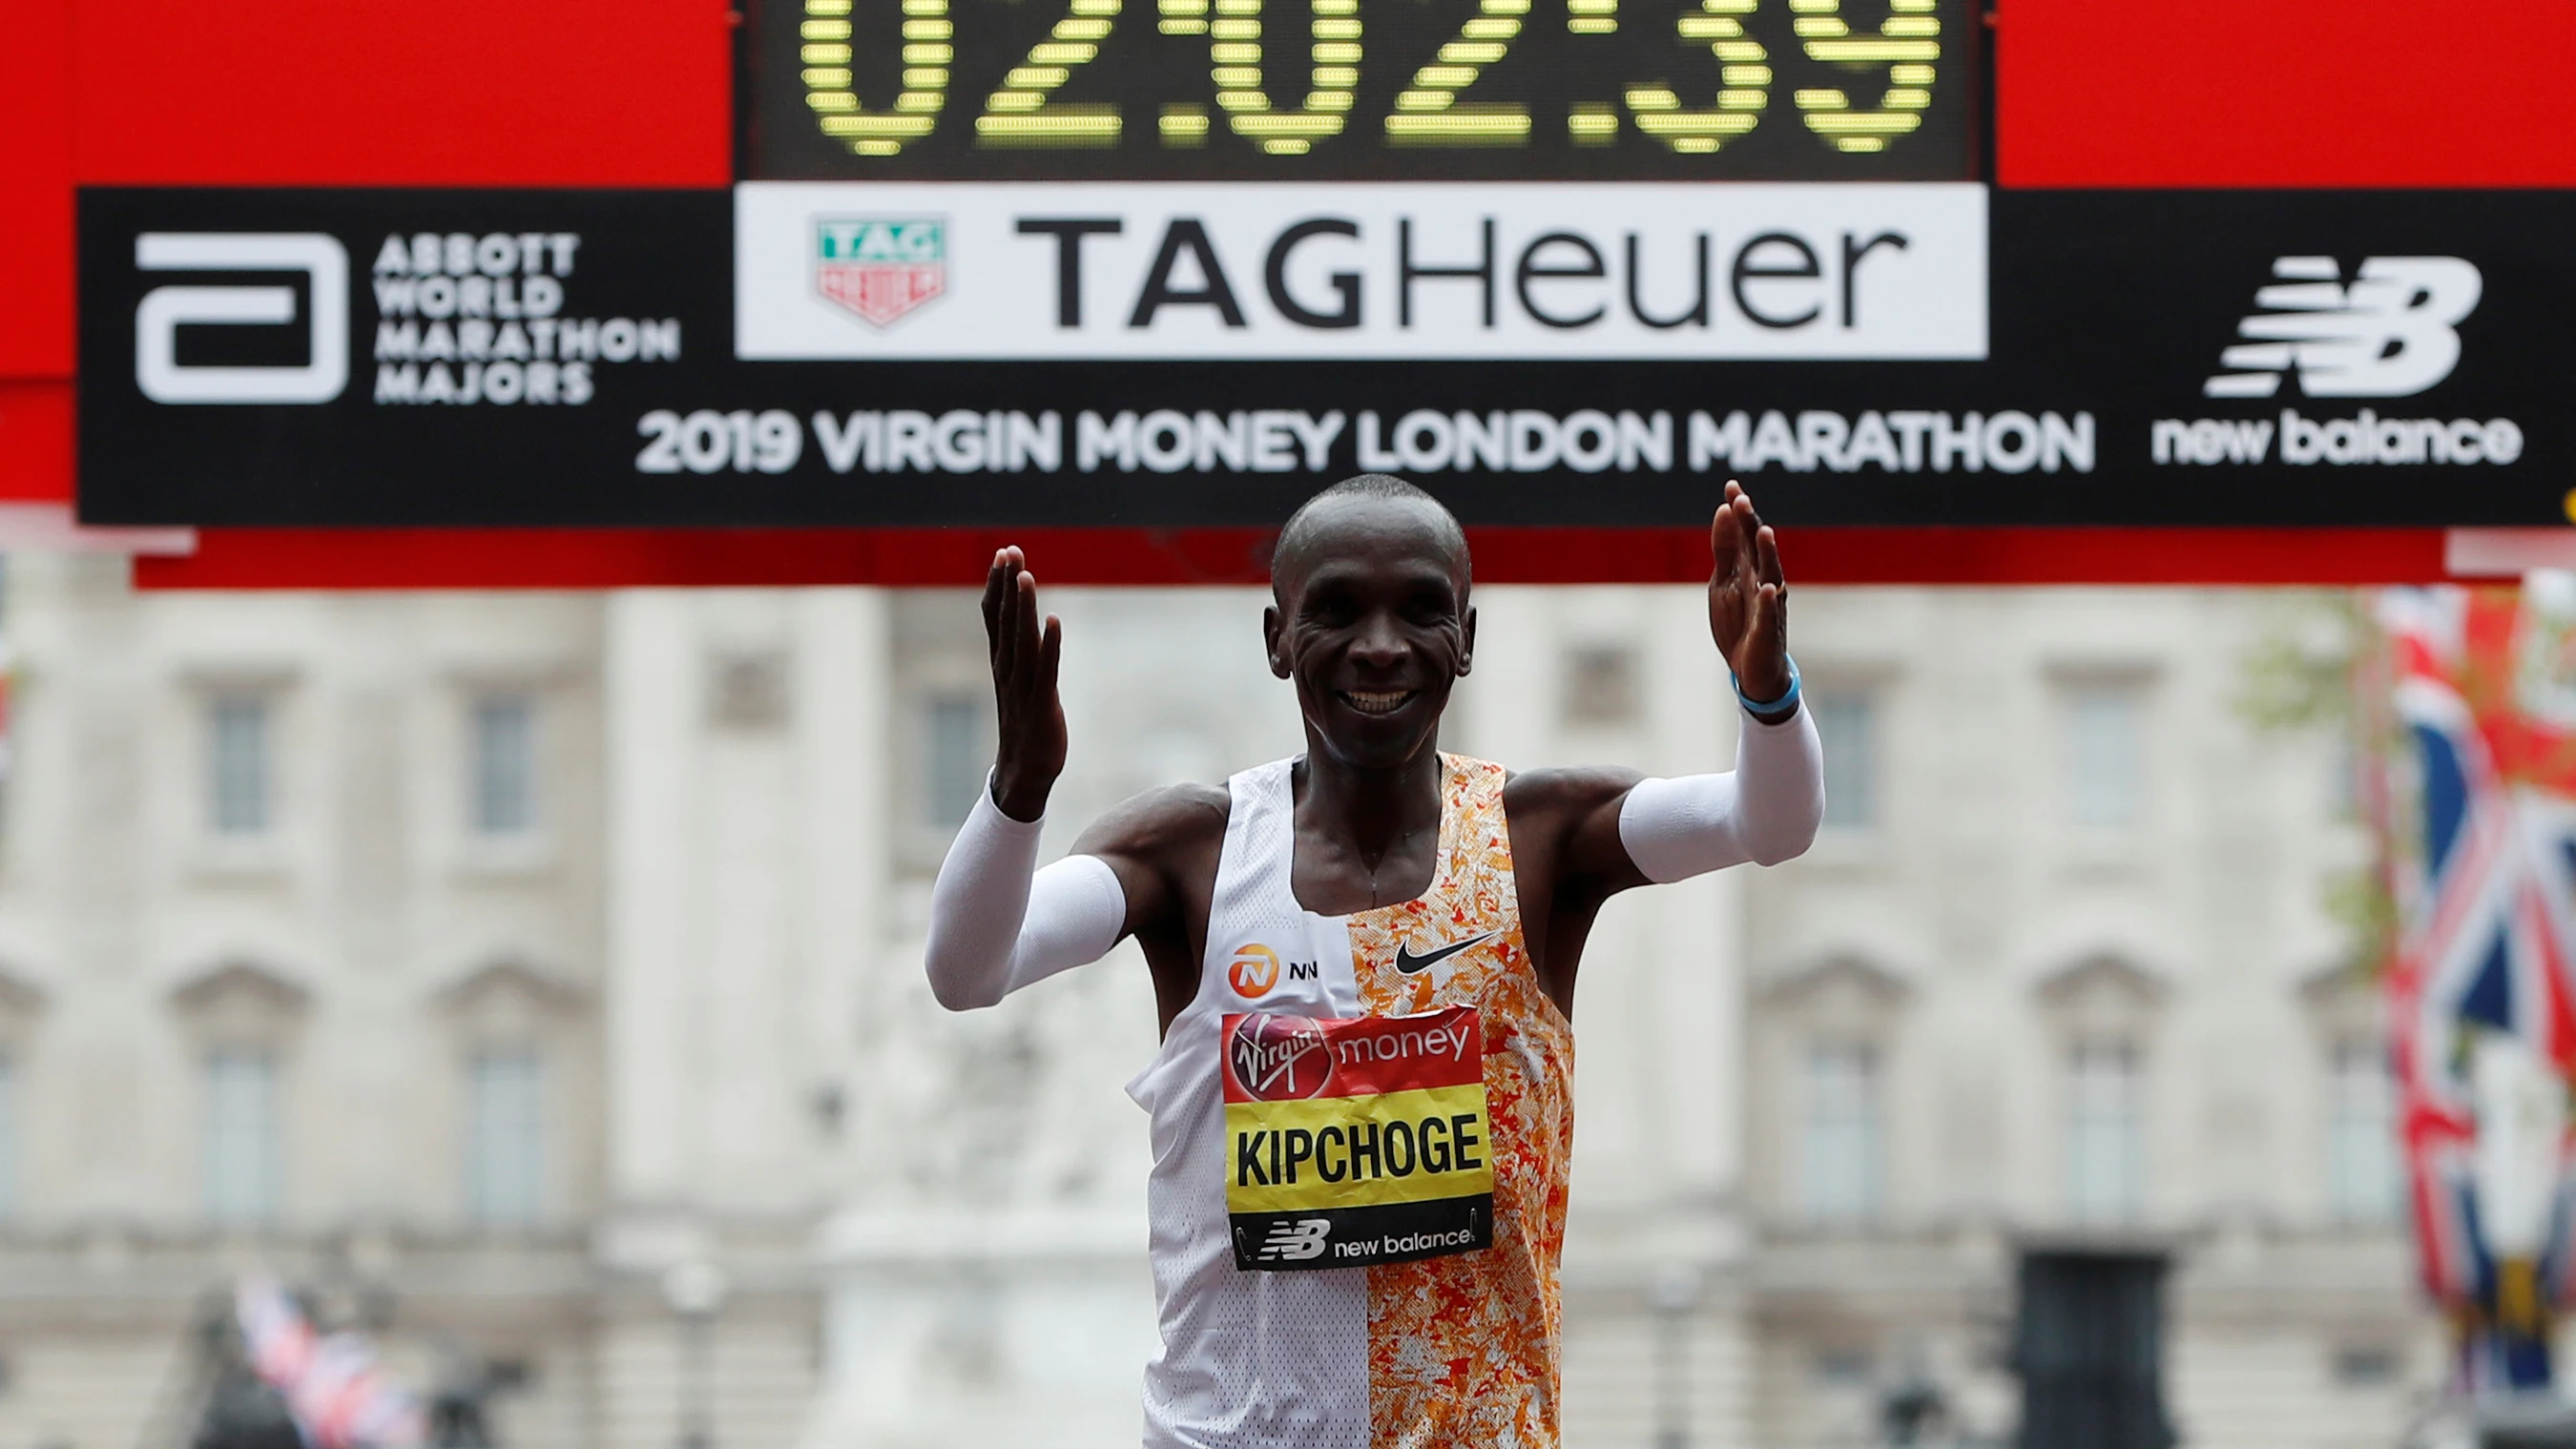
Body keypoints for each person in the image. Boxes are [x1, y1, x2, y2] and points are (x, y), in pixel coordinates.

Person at [925, 475, 1823, 1449]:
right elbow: (969, 970)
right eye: (1339, 609)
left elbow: (1767, 822)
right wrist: (1016, 791)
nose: (1382, 645)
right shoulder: (1190, 850)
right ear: (1277, 639)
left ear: (1469, 639)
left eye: (1422, 610)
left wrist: (1767, 696)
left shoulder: (1542, 836)